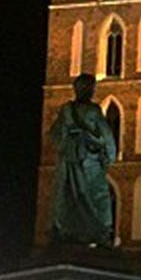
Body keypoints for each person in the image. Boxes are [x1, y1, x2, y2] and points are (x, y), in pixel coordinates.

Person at [49, 72, 117, 245]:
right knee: (99, 195)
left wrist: (67, 143)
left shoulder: (66, 110)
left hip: (69, 159)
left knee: (69, 194)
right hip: (89, 160)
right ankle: (102, 233)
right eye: (92, 88)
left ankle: (65, 230)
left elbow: (54, 133)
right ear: (89, 90)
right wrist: (110, 155)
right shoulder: (93, 110)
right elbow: (107, 134)